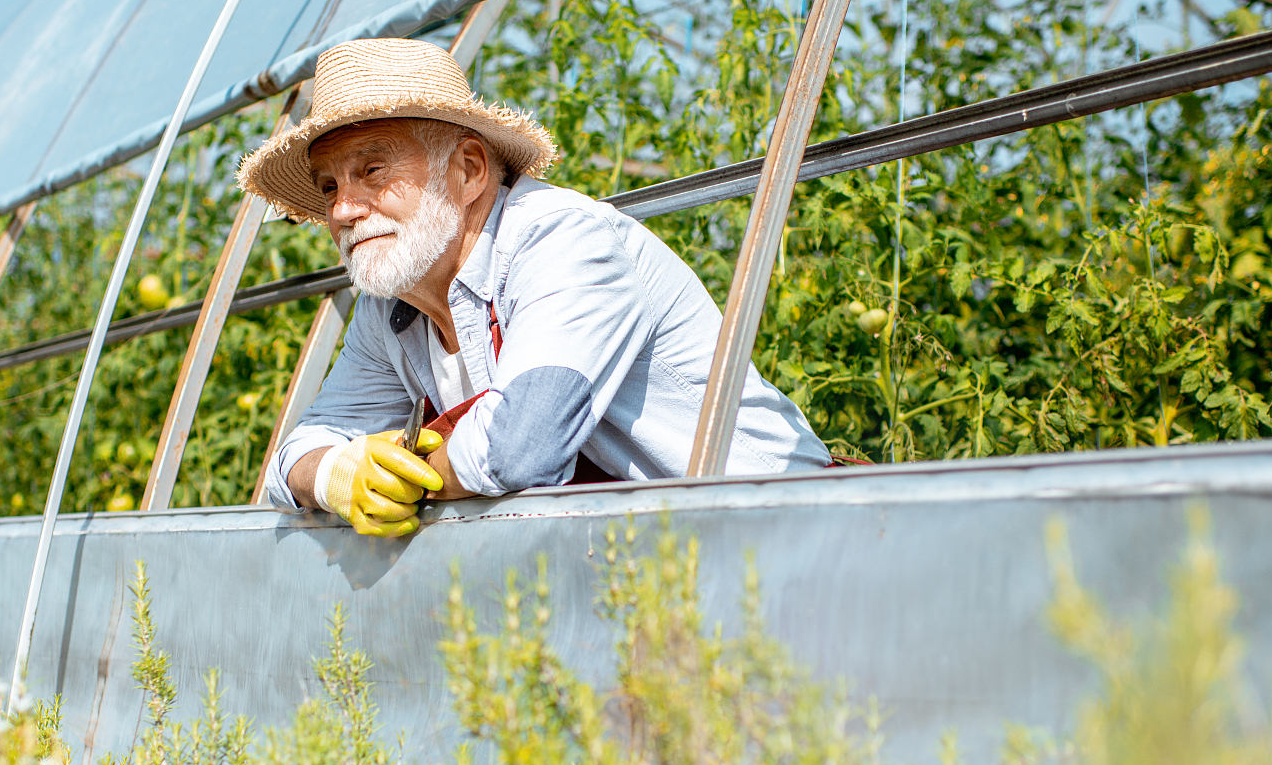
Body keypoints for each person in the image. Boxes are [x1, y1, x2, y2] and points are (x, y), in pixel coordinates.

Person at [240, 36, 830, 537]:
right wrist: (333, 474)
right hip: (646, 549)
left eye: (372, 171)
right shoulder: (390, 309)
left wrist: (405, 473)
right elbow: (293, 454)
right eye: (327, 188)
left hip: (786, 526)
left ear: (468, 171)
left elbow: (525, 442)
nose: (343, 210)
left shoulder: (563, 242)